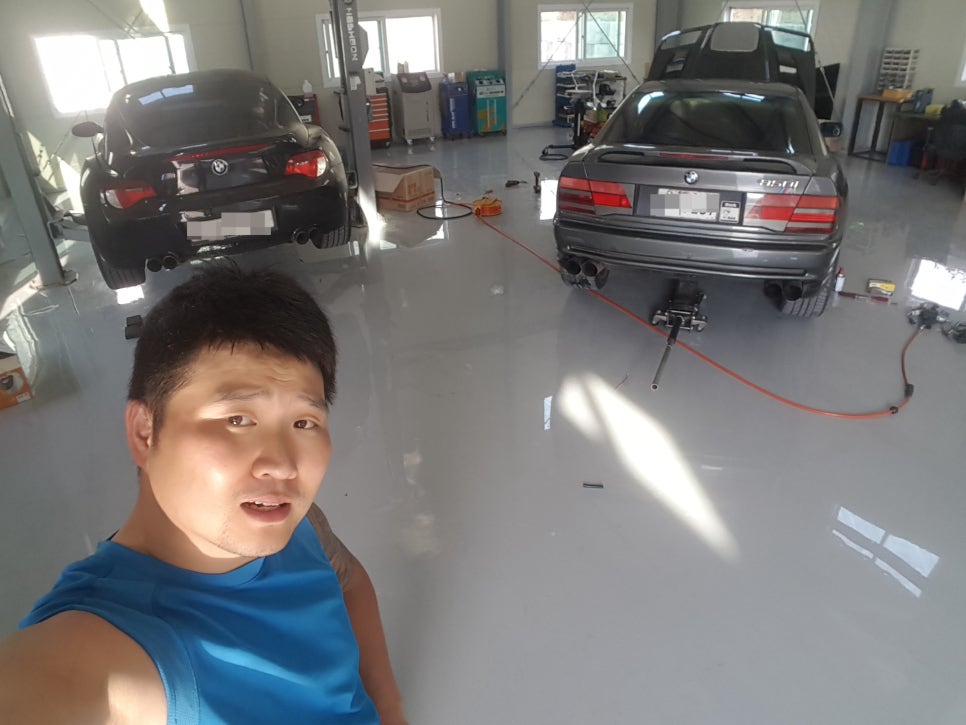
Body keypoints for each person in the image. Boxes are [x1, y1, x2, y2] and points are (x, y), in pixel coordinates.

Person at [0, 265, 407, 724]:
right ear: (145, 431)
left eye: (303, 422)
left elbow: (349, 581)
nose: (283, 465)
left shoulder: (301, 523)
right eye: (238, 419)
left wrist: (390, 710)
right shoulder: (105, 644)